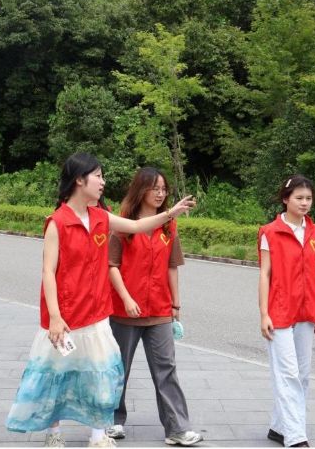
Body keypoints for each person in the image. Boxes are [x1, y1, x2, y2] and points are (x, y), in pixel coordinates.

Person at [6, 153, 196, 448]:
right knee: (56, 375)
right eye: (97, 176)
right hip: (65, 317)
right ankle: (54, 433)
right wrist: (54, 316)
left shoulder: (101, 218)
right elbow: (48, 272)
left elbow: (136, 226)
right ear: (79, 180)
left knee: (102, 375)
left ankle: (98, 435)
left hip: (97, 316)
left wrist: (171, 213)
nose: (103, 181)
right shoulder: (57, 222)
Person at [105, 168, 202, 446]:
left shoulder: (169, 226)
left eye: (163, 189)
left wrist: (175, 304)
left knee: (166, 368)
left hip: (159, 310)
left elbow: (172, 267)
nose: (160, 194)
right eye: (154, 189)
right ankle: (112, 420)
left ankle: (177, 428)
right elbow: (111, 265)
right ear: (141, 190)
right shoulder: (124, 224)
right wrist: (126, 298)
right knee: (118, 367)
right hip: (125, 310)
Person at [258, 175, 315, 448]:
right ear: (286, 199)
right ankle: (296, 436)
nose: (304, 203)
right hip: (280, 310)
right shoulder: (270, 232)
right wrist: (264, 313)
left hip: (307, 310)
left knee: (303, 374)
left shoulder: (313, 232)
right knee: (287, 373)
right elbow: (265, 274)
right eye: (299, 198)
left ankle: (278, 427)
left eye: (308, 198)